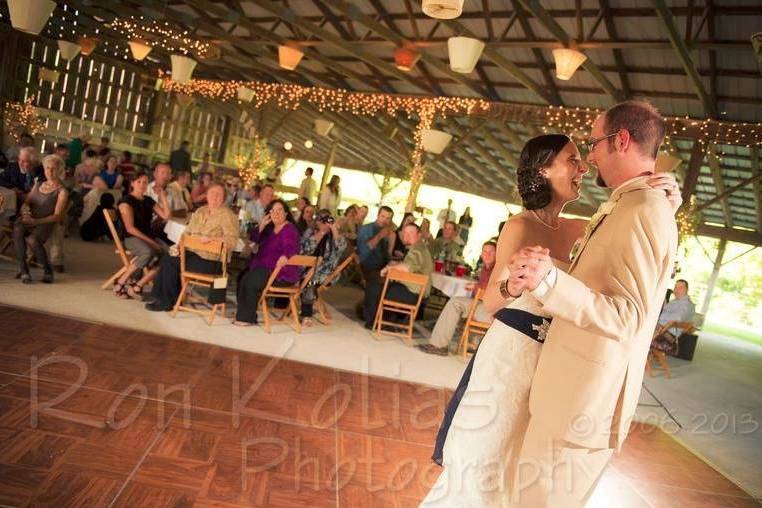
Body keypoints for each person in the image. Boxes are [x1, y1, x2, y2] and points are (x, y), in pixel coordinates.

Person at [422, 116, 682, 507]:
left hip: (556, 363)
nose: (583, 167)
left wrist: (666, 201)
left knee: (522, 467)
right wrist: (515, 280)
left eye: (584, 156)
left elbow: (627, 256)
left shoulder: (585, 228)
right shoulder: (519, 226)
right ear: (544, 170)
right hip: (511, 354)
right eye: (573, 160)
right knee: (486, 457)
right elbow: (492, 302)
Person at [146, 183, 239, 312]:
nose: (215, 196)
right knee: (169, 256)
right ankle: (167, 298)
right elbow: (187, 232)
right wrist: (179, 246)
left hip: (212, 261)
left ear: (223, 198)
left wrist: (213, 239)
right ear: (206, 195)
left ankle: (166, 300)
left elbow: (232, 241)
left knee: (171, 262)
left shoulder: (228, 216)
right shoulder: (201, 211)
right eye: (212, 193)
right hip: (193, 253)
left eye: (219, 194)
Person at [418, 241, 497, 356]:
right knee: (457, 302)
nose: (487, 254)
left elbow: (489, 291)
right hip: (481, 304)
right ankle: (446, 341)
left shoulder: (497, 269)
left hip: (490, 310)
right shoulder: (485, 268)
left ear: (497, 254)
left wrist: (475, 287)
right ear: (481, 254)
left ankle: (439, 345)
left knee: (455, 302)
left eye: (491, 252)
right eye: (485, 251)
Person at [234, 198, 301, 326]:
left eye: (279, 210)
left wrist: (286, 256)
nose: (276, 213)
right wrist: (262, 225)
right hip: (266, 270)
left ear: (286, 213)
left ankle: (246, 318)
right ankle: (244, 314)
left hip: (281, 273)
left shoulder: (289, 229)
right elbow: (254, 239)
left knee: (251, 280)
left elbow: (291, 246)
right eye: (272, 211)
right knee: (243, 277)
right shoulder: (270, 230)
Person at [364, 222, 433, 329]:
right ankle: (383, 320)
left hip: (413, 294)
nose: (407, 236)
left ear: (419, 235)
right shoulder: (419, 247)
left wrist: (389, 268)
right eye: (405, 233)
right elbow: (411, 266)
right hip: (414, 291)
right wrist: (397, 264)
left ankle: (374, 322)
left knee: (374, 287)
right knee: (380, 284)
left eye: (411, 233)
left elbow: (408, 267)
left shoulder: (417, 249)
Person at [113, 172, 170, 299]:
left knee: (169, 256)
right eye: (139, 182)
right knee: (147, 252)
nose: (142, 185)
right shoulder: (126, 201)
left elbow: (166, 216)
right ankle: (121, 281)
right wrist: (153, 243)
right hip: (131, 238)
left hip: (149, 236)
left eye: (145, 182)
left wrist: (163, 196)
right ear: (132, 183)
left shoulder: (148, 200)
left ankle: (138, 285)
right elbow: (130, 228)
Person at [12, 155, 69, 284]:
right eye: (47, 168)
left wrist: (36, 221)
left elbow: (58, 215)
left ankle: (48, 271)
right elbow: (27, 202)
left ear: (60, 171)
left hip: (45, 222)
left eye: (54, 169)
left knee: (32, 240)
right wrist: (26, 212)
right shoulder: (38, 184)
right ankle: (24, 271)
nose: (50, 172)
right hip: (30, 219)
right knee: (18, 229)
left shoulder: (62, 191)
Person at [299, 209, 347, 326]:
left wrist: (334, 229)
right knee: (306, 278)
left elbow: (340, 248)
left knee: (310, 282)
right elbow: (302, 251)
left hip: (326, 275)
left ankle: (306, 314)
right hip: (306, 271)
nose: (325, 223)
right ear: (317, 222)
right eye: (322, 220)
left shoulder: (335, 238)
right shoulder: (311, 234)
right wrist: (320, 234)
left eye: (328, 220)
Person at [356, 206, 395, 320]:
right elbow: (364, 251)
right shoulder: (366, 229)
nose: (385, 220)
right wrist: (379, 236)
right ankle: (371, 317)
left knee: (398, 282)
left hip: (382, 265)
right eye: (383, 216)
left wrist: (392, 242)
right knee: (377, 280)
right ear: (378, 215)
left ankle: (385, 315)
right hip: (368, 264)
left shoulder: (387, 232)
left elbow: (387, 254)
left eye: (388, 218)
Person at [651, 279, 696, 355]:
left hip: (667, 337)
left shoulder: (687, 305)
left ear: (687, 290)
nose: (676, 290)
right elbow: (666, 313)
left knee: (640, 330)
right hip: (662, 331)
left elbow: (676, 318)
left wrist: (659, 316)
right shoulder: (675, 301)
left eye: (680, 287)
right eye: (675, 287)